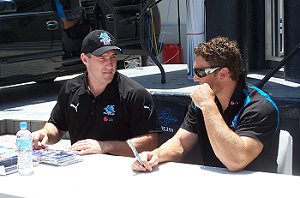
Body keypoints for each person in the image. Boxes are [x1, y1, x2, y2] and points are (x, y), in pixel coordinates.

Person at [131, 37, 280, 173]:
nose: (195, 78)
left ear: (223, 73)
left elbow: (236, 161)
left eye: (200, 72)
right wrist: (155, 155)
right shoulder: (202, 102)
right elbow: (181, 142)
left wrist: (208, 106)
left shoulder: (260, 106)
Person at [32, 29, 161, 157]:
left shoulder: (135, 94)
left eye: (113, 57)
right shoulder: (70, 89)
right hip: (79, 167)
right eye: (102, 58)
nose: (110, 64)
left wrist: (105, 147)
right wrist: (45, 134)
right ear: (84, 59)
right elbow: (57, 125)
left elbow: (150, 143)